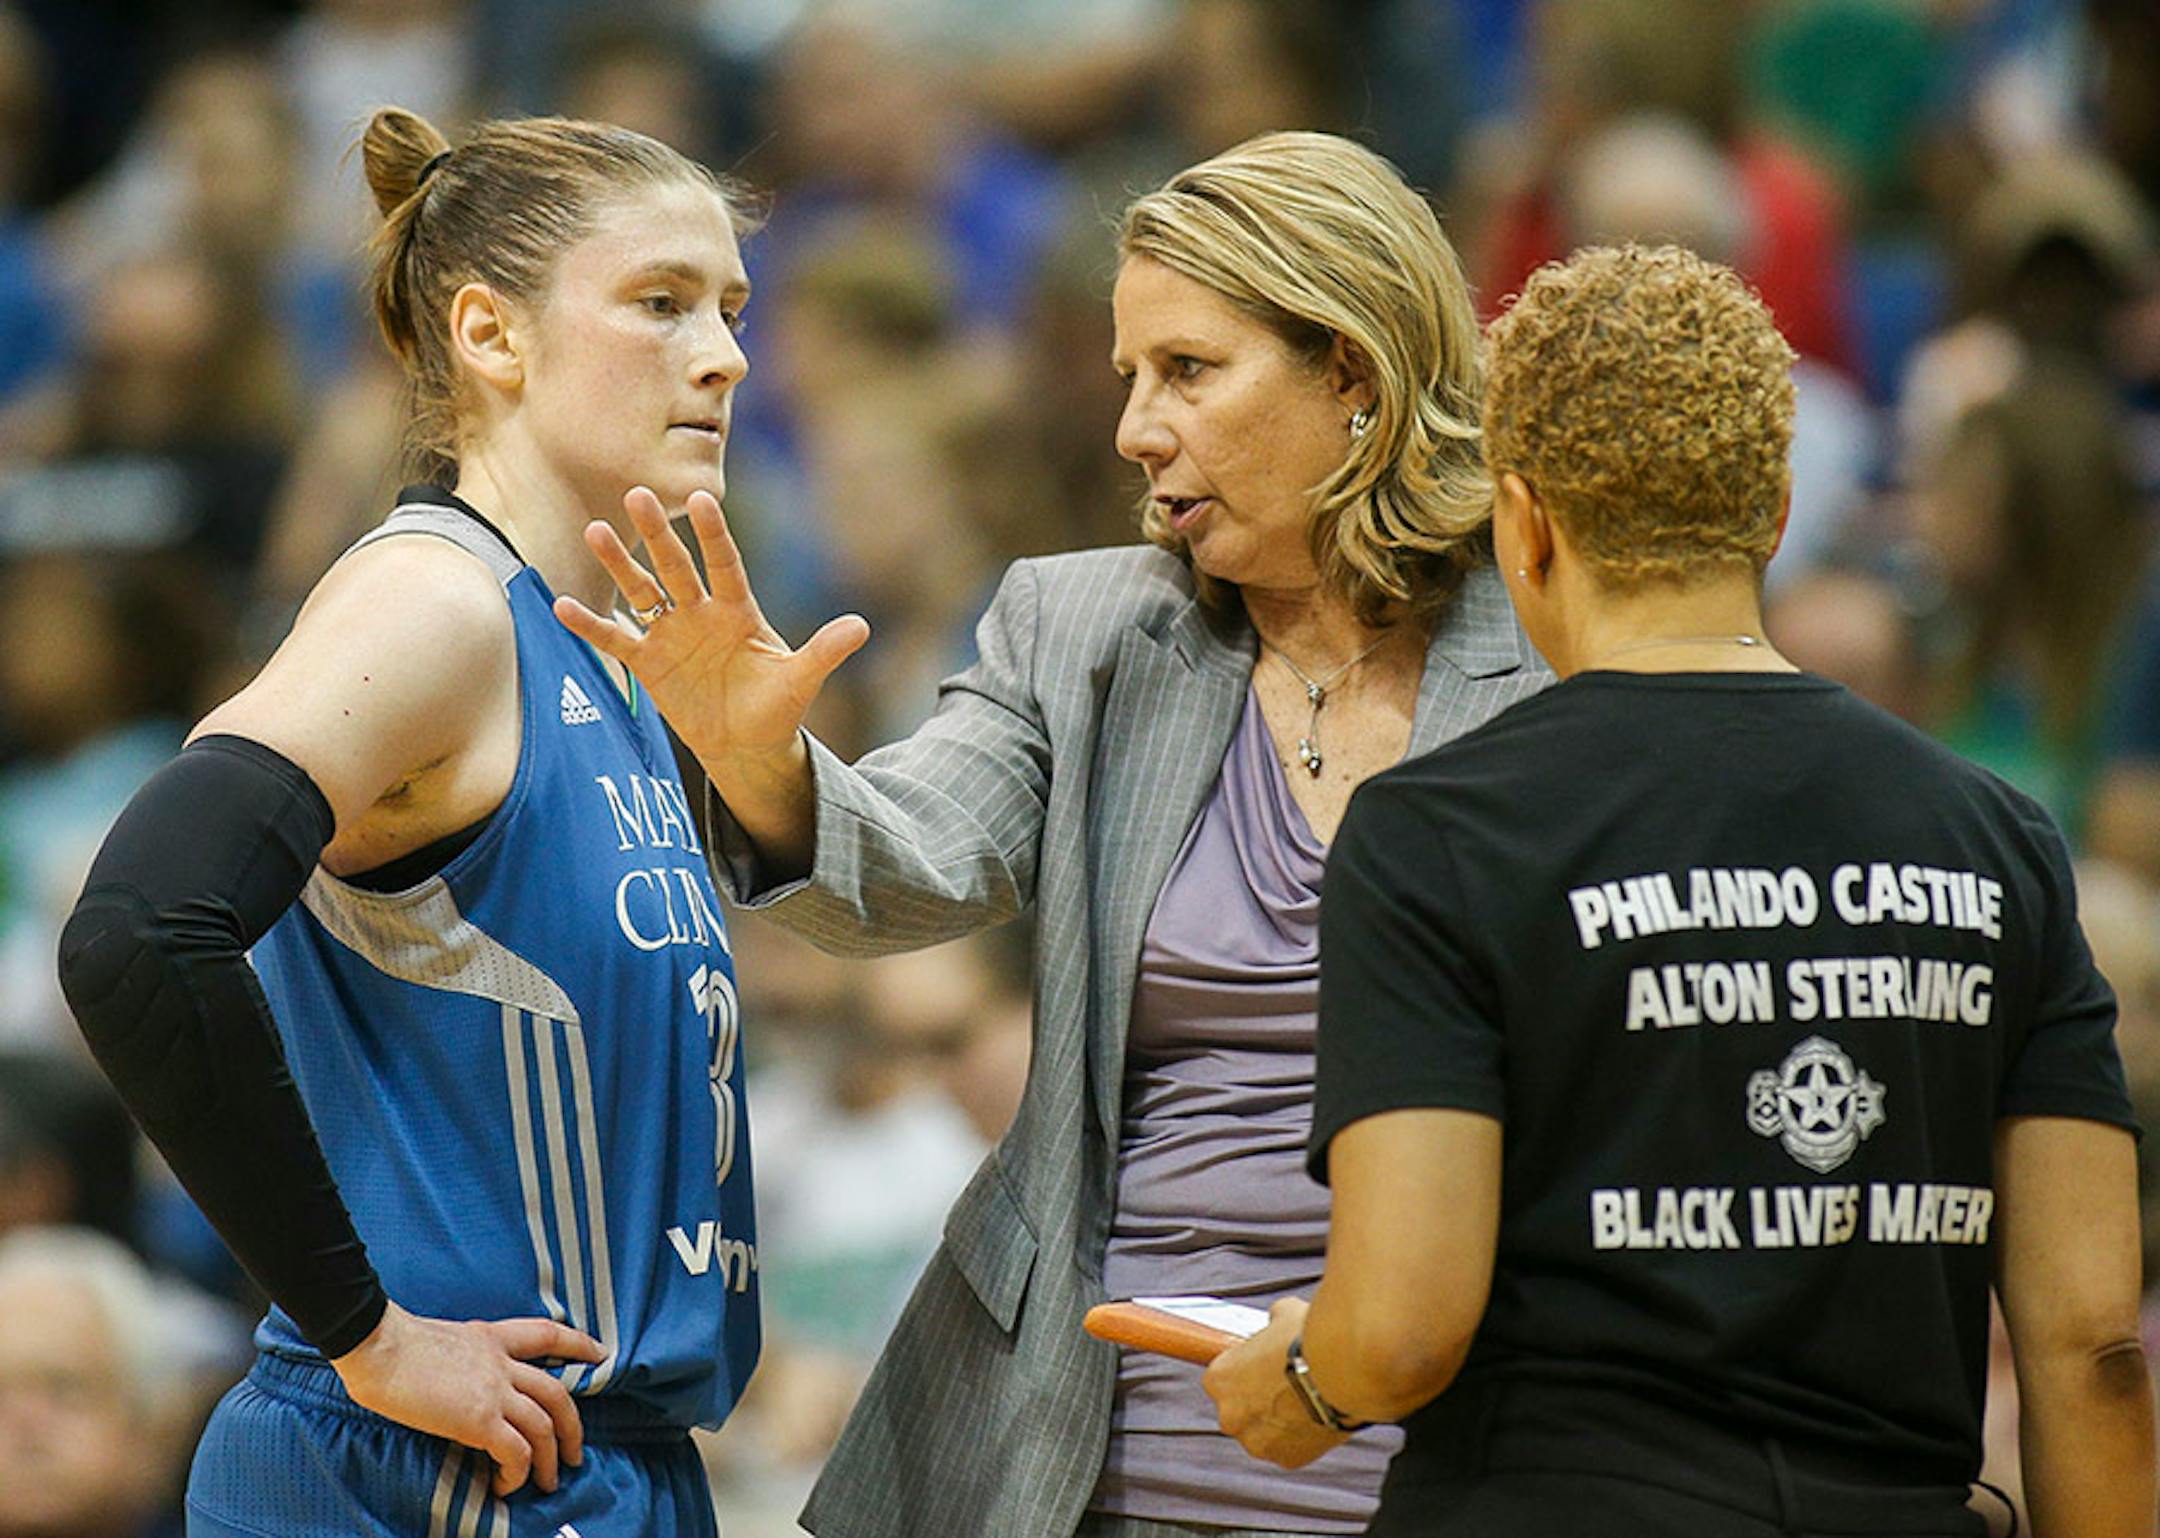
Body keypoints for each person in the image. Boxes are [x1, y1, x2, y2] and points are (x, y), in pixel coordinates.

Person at [555, 131, 1549, 1538]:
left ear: (1355, 374)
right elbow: (907, 858)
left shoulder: (1550, 657)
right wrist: (752, 754)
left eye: (1190, 372)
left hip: (1454, 1428)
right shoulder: (1082, 629)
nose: (1139, 428)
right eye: (1132, 377)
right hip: (1100, 1441)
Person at [1203, 244, 2154, 1537]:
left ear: (1524, 522)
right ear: (1769, 514)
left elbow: (1404, 1325)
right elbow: (2094, 1348)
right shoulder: (1998, 839)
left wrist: (1303, 1379)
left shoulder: (1438, 830)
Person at [56, 109, 780, 1536]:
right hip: (420, 1471)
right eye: (661, 303)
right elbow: (139, 932)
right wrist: (365, 1329)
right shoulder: (432, 605)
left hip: (594, 1462)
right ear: (491, 338)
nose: (725, 353)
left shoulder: (606, 647)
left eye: (732, 309)